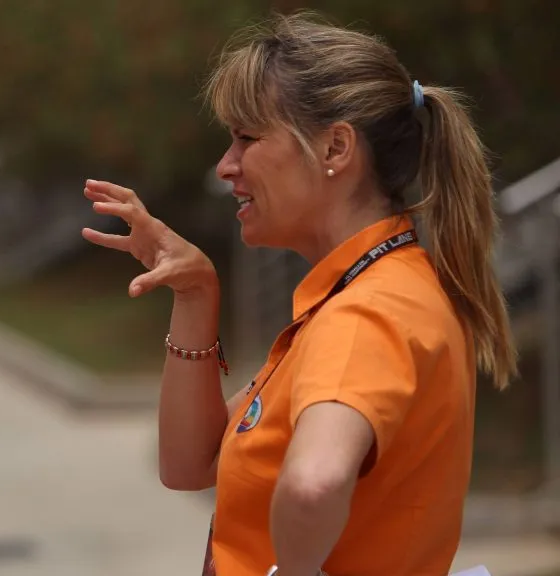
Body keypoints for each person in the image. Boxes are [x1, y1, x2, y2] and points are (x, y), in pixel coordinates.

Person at [82, 12, 516, 576]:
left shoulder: (367, 311)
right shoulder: (369, 289)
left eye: (247, 138)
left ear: (336, 149)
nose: (225, 167)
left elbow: (314, 484)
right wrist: (196, 294)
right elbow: (191, 464)